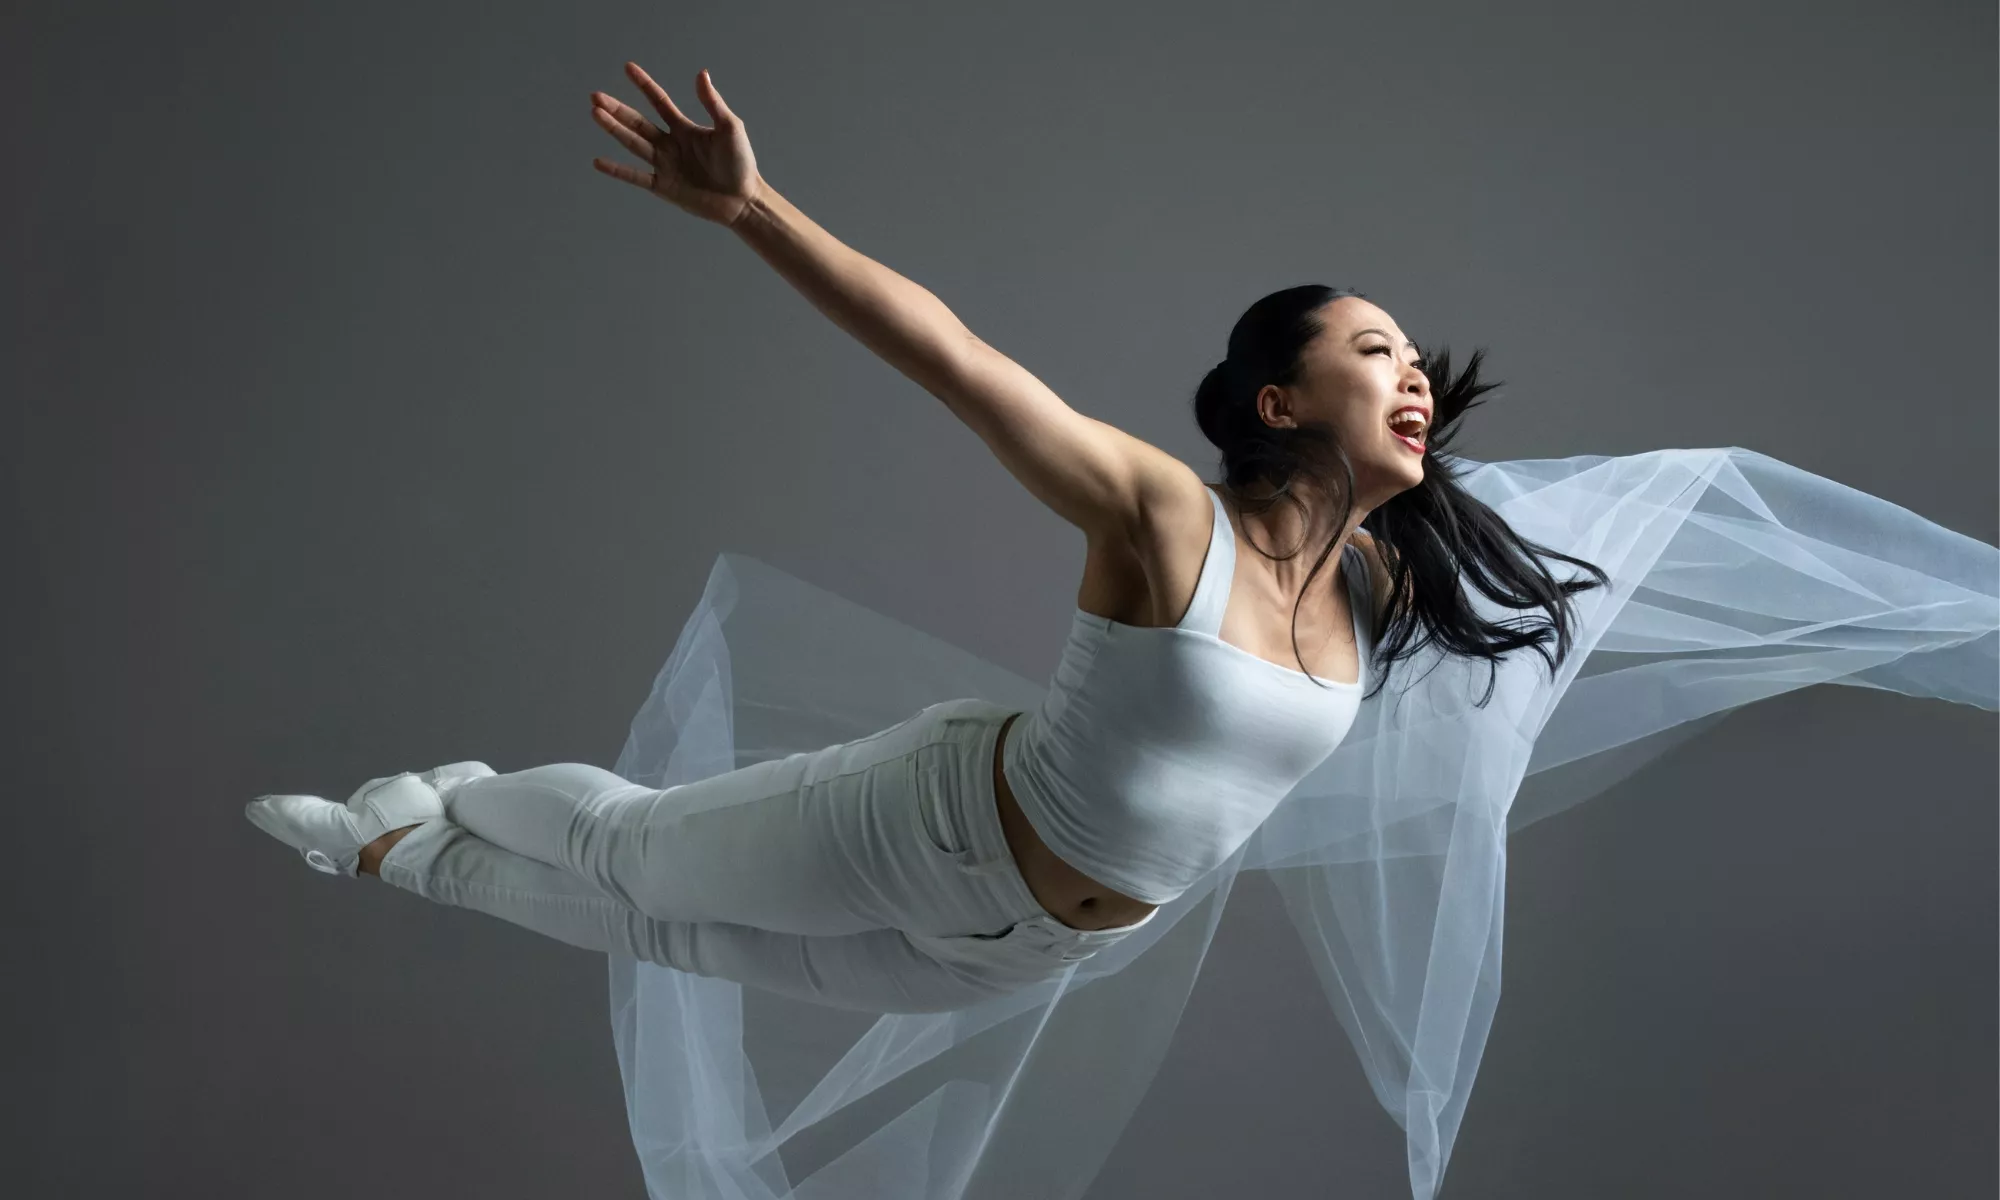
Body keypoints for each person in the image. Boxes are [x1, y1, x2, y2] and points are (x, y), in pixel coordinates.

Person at [246, 64, 1998, 1199]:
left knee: (671, 951)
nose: (1408, 370)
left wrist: (1857, 616)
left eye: (1412, 354)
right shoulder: (1167, 519)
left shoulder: (1392, 590)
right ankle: (468, 792)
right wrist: (753, 209)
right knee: (631, 861)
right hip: (927, 822)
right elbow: (949, 352)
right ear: (1271, 393)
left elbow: (1628, 584)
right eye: (1370, 344)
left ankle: (393, 861)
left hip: (1025, 945)